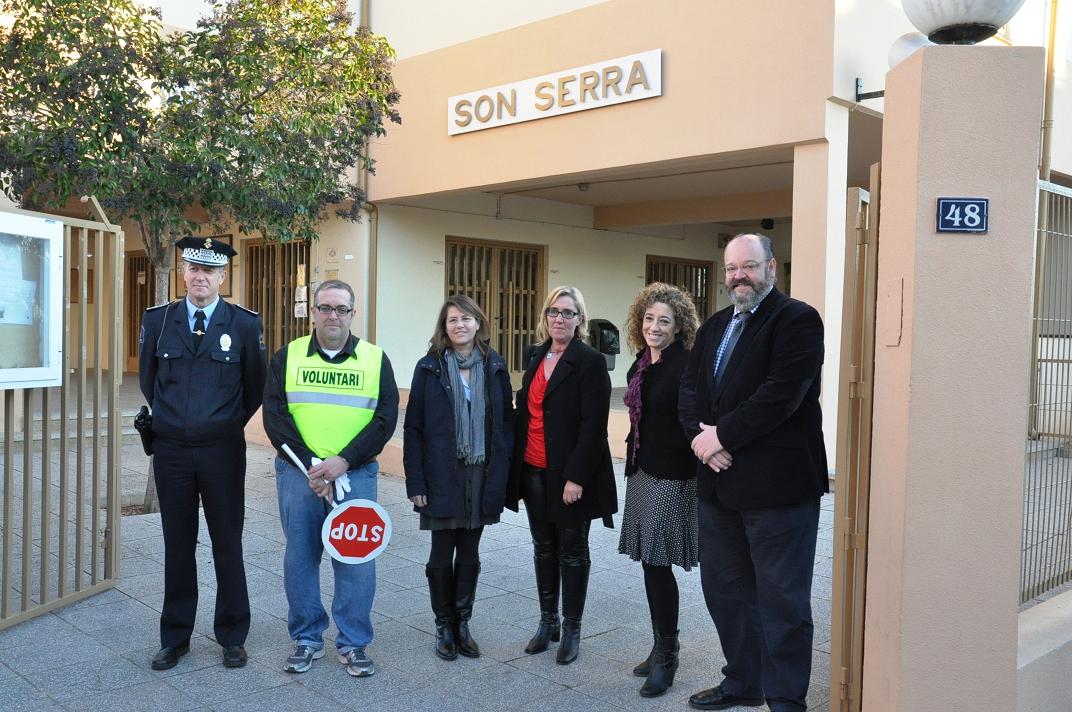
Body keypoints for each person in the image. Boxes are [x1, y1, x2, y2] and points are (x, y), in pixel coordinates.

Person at [678, 234, 828, 712]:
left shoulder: (797, 320)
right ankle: (743, 681)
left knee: (782, 602)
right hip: (718, 487)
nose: (738, 276)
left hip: (778, 491)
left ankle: (785, 699)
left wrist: (721, 437)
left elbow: (781, 394)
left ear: (772, 268)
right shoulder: (715, 326)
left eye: (749, 266)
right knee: (726, 594)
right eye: (731, 268)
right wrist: (703, 445)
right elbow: (689, 391)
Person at [139, 236, 267, 671]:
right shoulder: (158, 321)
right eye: (193, 268)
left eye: (209, 271)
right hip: (172, 451)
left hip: (222, 452)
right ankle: (175, 638)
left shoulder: (245, 325)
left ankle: (232, 635)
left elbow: (254, 388)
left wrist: (220, 422)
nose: (199, 276)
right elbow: (148, 381)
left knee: (227, 542)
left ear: (223, 277)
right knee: (178, 546)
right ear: (183, 273)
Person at [261, 279, 399, 678]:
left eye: (340, 309)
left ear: (353, 314)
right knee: (300, 557)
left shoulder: (375, 359)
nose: (332, 316)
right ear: (313, 312)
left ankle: (354, 643)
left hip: (354, 474)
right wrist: (312, 466)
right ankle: (307, 638)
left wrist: (343, 461)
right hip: (299, 476)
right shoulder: (287, 356)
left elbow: (385, 418)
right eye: (325, 308)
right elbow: (275, 417)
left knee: (356, 560)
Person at [505, 285, 617, 665]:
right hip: (533, 468)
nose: (559, 319)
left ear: (580, 320)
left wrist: (577, 477)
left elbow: (593, 426)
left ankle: (571, 628)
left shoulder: (590, 361)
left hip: (569, 475)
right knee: (543, 547)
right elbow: (528, 410)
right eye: (554, 312)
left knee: (572, 551)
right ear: (546, 316)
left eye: (568, 313)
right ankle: (547, 621)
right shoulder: (535, 354)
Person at [403, 295, 514, 661]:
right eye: (452, 320)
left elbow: (505, 427)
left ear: (478, 323)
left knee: (470, 551)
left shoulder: (494, 365)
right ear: (444, 327)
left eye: (466, 319)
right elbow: (414, 428)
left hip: (481, 473)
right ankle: (442, 625)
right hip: (441, 473)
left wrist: (506, 478)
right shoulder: (428, 367)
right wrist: (416, 483)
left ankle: (462, 624)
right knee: (440, 553)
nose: (460, 325)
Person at [617, 282, 700, 698]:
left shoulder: (685, 364)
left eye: (664, 321)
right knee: (650, 564)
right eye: (649, 319)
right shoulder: (643, 362)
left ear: (678, 326)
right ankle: (660, 644)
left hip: (672, 475)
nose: (654, 326)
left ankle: (668, 656)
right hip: (642, 471)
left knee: (657, 562)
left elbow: (695, 420)